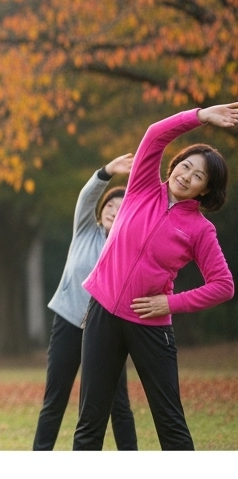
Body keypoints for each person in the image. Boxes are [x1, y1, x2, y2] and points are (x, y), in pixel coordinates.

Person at [74, 104, 237, 450]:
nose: (186, 176)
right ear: (175, 164)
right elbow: (154, 135)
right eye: (186, 166)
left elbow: (223, 285)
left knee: (170, 425)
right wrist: (201, 116)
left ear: (205, 191)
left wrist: (170, 302)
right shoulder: (142, 187)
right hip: (102, 313)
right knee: (90, 424)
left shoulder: (199, 230)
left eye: (198, 177)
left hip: (149, 326)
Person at [32, 154, 138, 450]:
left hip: (109, 331)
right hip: (68, 322)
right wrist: (106, 172)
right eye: (109, 205)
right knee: (55, 400)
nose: (113, 210)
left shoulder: (130, 247)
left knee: (119, 405)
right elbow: (86, 196)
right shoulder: (85, 232)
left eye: (121, 208)